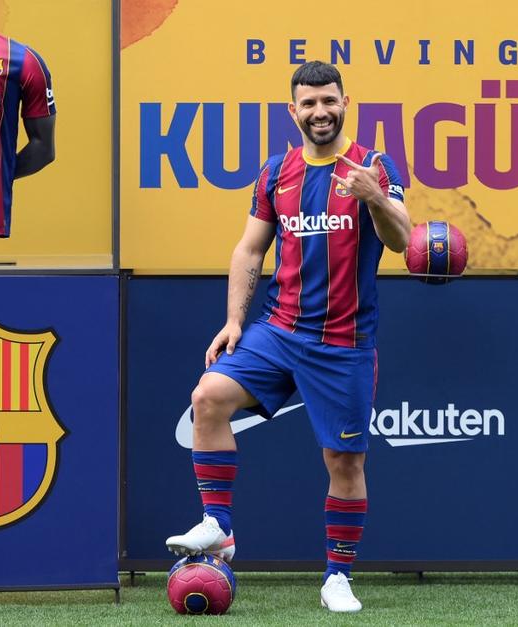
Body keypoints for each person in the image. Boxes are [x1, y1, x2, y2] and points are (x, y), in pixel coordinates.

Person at [165, 60, 411, 613]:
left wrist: (375, 195)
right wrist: (234, 320)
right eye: (309, 103)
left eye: (329, 101)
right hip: (278, 330)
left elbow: (401, 239)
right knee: (207, 398)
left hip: (344, 342)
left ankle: (338, 577)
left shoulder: (374, 165)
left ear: (346, 103)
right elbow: (250, 250)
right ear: (292, 110)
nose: (319, 112)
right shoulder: (277, 172)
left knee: (344, 464)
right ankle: (220, 529)